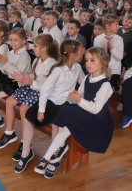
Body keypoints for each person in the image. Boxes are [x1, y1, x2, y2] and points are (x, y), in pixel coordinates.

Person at [35, 47, 114, 178]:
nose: (88, 63)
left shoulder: (105, 85)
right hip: (85, 111)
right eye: (87, 60)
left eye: (92, 60)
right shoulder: (87, 78)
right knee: (65, 122)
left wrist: (79, 99)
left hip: (95, 118)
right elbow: (81, 94)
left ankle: (52, 154)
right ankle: (47, 158)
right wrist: (74, 96)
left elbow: (96, 108)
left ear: (103, 63)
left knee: (65, 112)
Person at [14, 39, 85, 173]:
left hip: (67, 104)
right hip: (51, 101)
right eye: (81, 52)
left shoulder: (78, 67)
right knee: (28, 119)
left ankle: (55, 155)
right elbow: (45, 90)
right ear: (73, 55)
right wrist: (41, 111)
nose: (83, 54)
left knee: (57, 123)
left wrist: (80, 96)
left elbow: (84, 83)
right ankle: (25, 154)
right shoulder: (58, 70)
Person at [0, 34, 59, 157]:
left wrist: (31, 82)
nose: (32, 48)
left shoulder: (53, 64)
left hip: (42, 93)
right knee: (9, 101)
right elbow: (33, 76)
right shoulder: (37, 59)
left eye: (35, 46)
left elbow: (48, 87)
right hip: (32, 87)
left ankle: (25, 143)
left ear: (44, 48)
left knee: (23, 108)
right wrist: (24, 78)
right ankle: (9, 133)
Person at [94, 14, 123, 91]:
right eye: (116, 24)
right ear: (108, 26)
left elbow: (120, 57)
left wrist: (112, 48)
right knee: (96, 86)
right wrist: (102, 50)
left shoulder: (119, 39)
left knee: (105, 88)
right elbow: (97, 54)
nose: (118, 26)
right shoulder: (98, 39)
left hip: (114, 70)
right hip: (101, 69)